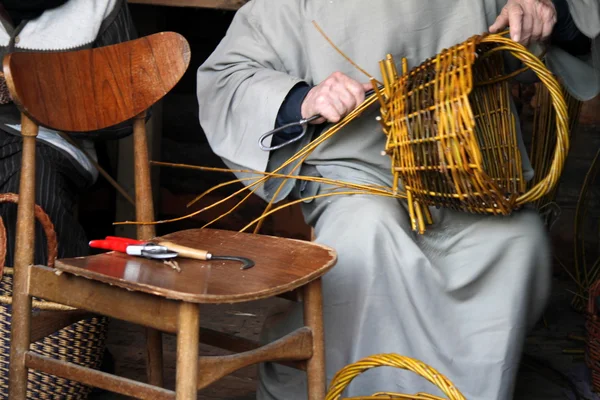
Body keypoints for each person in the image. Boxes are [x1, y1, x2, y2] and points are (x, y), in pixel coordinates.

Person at [197, 1, 600, 398]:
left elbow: (575, 26)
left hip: (466, 177)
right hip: (357, 176)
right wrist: (305, 99)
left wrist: (550, 12)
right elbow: (226, 76)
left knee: (519, 241)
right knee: (368, 236)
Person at [0, 0, 137, 266]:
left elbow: (125, 113)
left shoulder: (98, 5)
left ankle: (47, 296)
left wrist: (37, 92)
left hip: (55, 144)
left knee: (32, 180)